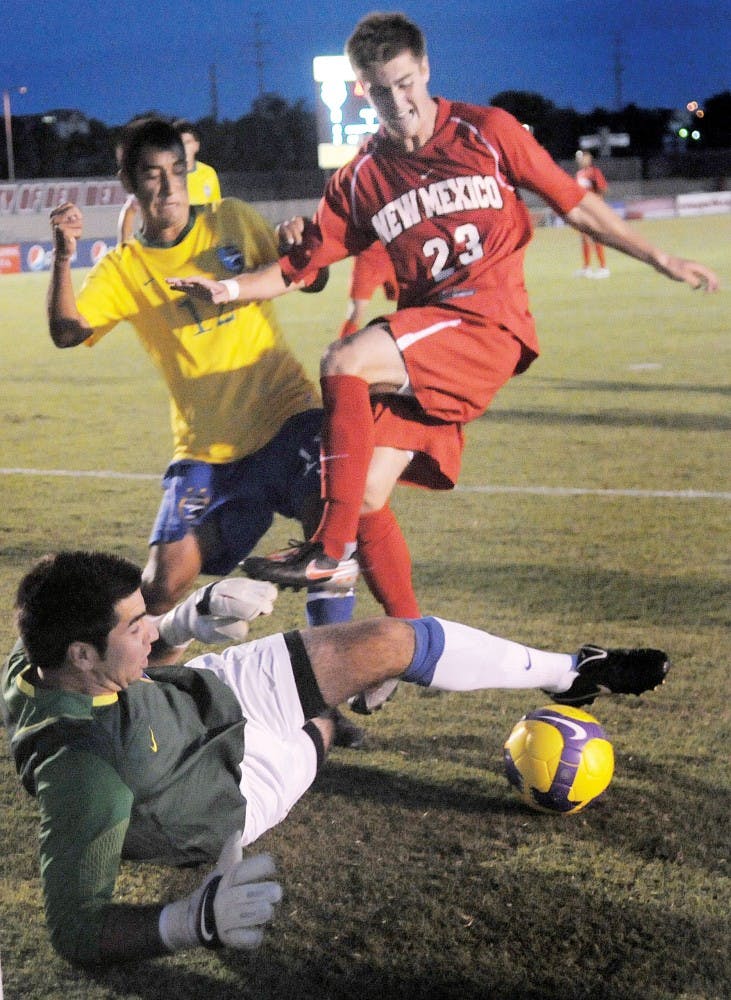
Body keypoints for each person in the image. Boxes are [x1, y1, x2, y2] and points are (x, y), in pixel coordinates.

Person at [168, 11, 719, 612]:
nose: (397, 100)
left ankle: (327, 549)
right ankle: (409, 636)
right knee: (370, 494)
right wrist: (227, 291)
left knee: (346, 358)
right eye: (380, 89)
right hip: (428, 342)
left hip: (487, 323)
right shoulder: (362, 177)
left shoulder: (487, 131)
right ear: (362, 88)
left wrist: (660, 256)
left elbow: (574, 203)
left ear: (426, 68)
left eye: (405, 82)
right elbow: (301, 266)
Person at [1, 548, 670, 966]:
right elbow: (75, 933)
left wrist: (181, 625)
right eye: (134, 625)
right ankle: (325, 723)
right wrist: (187, 922)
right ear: (83, 656)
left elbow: (131, 669)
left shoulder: (46, 656)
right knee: (320, 727)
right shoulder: (85, 777)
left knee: (384, 640)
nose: (148, 626)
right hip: (226, 790)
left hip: (205, 695)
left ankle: (571, 672)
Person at [46, 117, 364, 742]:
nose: (166, 188)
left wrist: (300, 242)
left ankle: (327, 701)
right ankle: (147, 704)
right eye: (151, 176)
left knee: (331, 529)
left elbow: (309, 275)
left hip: (285, 415)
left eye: (175, 174)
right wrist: (63, 254)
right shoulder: (125, 269)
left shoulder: (234, 221)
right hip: (206, 449)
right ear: (129, 184)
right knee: (162, 585)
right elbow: (66, 331)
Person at [339, 239, 398, 338]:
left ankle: (412, 348)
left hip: (392, 256)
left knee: (410, 306)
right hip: (367, 259)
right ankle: (342, 351)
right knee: (356, 313)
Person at [574, 150, 609, 277]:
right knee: (584, 237)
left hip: (593, 209)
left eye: (582, 157)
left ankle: (603, 267)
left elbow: (603, 188)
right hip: (583, 210)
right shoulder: (579, 174)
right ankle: (587, 267)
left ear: (588, 158)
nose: (580, 160)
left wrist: (597, 202)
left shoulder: (594, 172)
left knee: (596, 236)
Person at [173, 118, 222, 205]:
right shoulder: (166, 176)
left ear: (196, 146)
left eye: (187, 143)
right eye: (179, 143)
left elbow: (216, 208)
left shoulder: (208, 173)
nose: (183, 148)